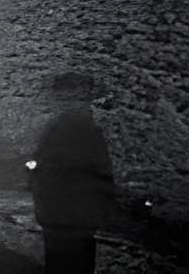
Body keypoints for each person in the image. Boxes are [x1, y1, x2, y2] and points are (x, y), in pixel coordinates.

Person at [28, 70, 121, 273]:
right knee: (76, 260)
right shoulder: (84, 129)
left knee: (60, 261)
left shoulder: (55, 127)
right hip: (75, 215)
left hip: (59, 214)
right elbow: (101, 172)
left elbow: (38, 170)